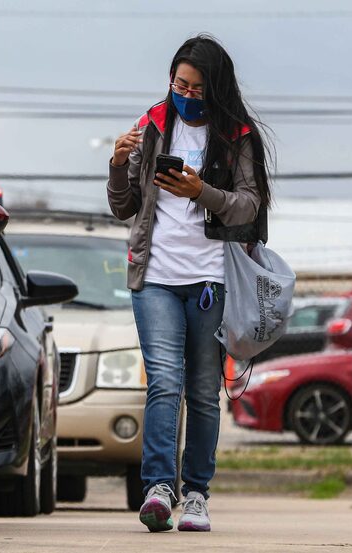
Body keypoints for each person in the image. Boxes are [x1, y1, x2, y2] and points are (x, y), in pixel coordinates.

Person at [106, 34, 272, 533]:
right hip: (154, 276)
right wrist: (117, 163)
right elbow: (122, 206)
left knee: (202, 391)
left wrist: (203, 191)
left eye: (196, 88)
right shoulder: (153, 125)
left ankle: (196, 494)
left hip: (211, 281)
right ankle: (158, 488)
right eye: (179, 83)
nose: (185, 93)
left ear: (215, 89)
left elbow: (249, 204)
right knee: (164, 383)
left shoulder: (236, 136)